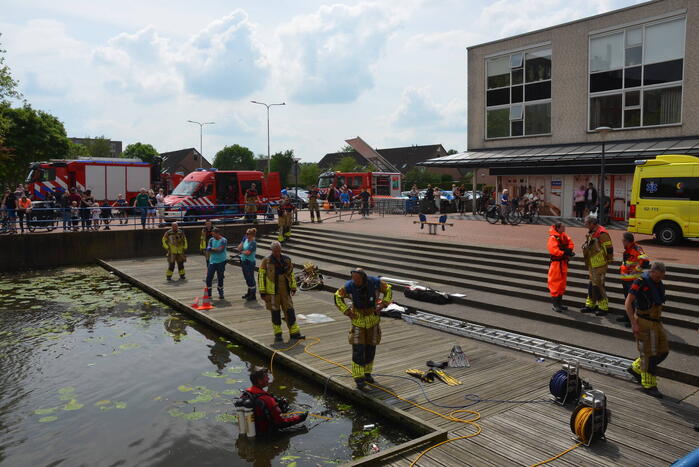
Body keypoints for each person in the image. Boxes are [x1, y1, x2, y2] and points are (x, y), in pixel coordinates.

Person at [334, 268, 393, 389]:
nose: (355, 281)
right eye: (353, 279)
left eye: (357, 279)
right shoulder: (348, 286)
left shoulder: (376, 283)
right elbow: (337, 296)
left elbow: (388, 289)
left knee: (371, 348)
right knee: (358, 350)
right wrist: (347, 311)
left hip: (373, 319)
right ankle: (359, 378)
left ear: (363, 278)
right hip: (358, 321)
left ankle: (367, 373)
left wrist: (383, 304)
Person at [625, 262, 669, 398]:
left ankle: (636, 368)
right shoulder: (640, 282)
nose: (659, 280)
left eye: (661, 277)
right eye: (658, 277)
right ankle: (649, 385)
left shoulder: (657, 284)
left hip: (656, 322)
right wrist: (634, 323)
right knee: (649, 354)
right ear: (653, 271)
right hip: (643, 321)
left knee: (664, 351)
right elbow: (628, 303)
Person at [258, 241, 304, 343]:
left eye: (279, 251)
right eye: (275, 251)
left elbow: (291, 274)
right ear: (272, 251)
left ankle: (295, 333)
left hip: (285, 290)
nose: (277, 253)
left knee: (290, 310)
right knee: (275, 312)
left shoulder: (287, 259)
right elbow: (261, 276)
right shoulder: (266, 261)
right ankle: (278, 334)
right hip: (272, 291)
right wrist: (262, 292)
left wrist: (293, 286)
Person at [242, 366, 307, 435]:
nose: (269, 378)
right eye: (266, 376)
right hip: (266, 435)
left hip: (251, 430)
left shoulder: (246, 395)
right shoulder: (268, 400)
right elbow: (281, 423)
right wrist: (300, 418)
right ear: (259, 381)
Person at [581, 215, 614, 316]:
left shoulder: (602, 233)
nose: (585, 225)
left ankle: (603, 307)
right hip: (593, 263)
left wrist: (608, 260)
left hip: (600, 264)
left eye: (586, 223)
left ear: (592, 223)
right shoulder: (592, 232)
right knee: (592, 285)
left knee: (599, 285)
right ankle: (590, 304)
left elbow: (609, 248)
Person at [619, 232, 650, 327]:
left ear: (627, 241)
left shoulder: (637, 248)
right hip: (626, 279)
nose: (622, 242)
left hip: (633, 280)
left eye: (623, 240)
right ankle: (627, 316)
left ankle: (632, 320)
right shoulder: (627, 250)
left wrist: (635, 270)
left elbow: (645, 262)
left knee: (633, 300)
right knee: (627, 299)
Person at [547, 223, 575, 312]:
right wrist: (564, 252)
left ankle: (559, 304)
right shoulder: (553, 238)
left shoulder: (563, 236)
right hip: (556, 263)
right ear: (558, 228)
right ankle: (555, 305)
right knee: (555, 283)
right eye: (563, 227)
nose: (564, 228)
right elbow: (554, 250)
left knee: (562, 284)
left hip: (563, 262)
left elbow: (570, 243)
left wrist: (569, 250)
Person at [205, 227, 228, 299]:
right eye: (212, 234)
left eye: (214, 234)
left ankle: (221, 293)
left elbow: (220, 250)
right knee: (209, 277)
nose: (212, 236)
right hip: (212, 261)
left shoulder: (223, 240)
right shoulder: (211, 240)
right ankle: (209, 294)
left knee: (220, 277)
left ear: (218, 234)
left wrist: (212, 249)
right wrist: (213, 249)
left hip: (221, 261)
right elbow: (208, 249)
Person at [238, 227, 258, 300]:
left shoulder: (253, 243)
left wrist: (242, 252)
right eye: (246, 233)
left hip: (249, 262)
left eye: (247, 234)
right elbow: (239, 248)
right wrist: (242, 242)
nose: (246, 235)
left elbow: (248, 253)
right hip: (244, 261)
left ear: (252, 235)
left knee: (250, 278)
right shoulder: (246, 240)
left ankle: (253, 294)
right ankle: (249, 292)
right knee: (247, 278)